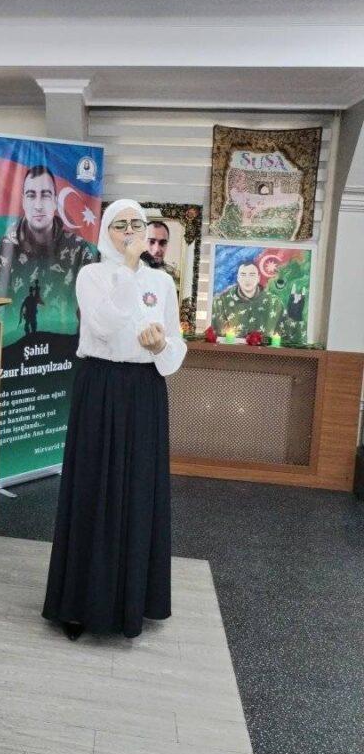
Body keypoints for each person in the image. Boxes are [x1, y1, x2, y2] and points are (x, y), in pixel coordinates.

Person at [42, 199, 187, 640]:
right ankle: (78, 605)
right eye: (120, 225)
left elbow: (175, 348)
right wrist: (127, 268)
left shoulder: (162, 282)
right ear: (105, 231)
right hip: (100, 387)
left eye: (136, 224)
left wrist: (161, 346)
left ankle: (134, 600)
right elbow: (104, 325)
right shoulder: (92, 275)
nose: (129, 232)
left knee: (138, 489)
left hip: (145, 391)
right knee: (92, 486)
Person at [0, 164, 95, 333]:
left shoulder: (79, 250)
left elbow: (94, 310)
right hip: (15, 344)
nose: (38, 205)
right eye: (31, 195)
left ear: (55, 201)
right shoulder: (5, 248)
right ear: (23, 201)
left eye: (45, 195)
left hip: (65, 346)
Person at [211, 259, 304, 341]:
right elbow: (213, 337)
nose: (247, 279)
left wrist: (295, 316)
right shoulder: (221, 302)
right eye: (243, 275)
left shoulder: (274, 303)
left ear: (258, 278)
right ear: (238, 278)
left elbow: (290, 336)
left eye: (252, 275)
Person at [145, 220, 180, 287]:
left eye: (162, 243)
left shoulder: (174, 278)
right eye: (151, 242)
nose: (157, 249)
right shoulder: (130, 273)